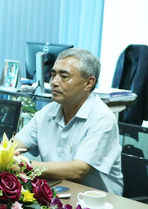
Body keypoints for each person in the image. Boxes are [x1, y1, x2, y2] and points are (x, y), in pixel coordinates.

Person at [13, 48, 124, 195]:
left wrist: (24, 165)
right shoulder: (48, 112)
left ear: (88, 83)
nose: (54, 82)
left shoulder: (102, 118)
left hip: (98, 204)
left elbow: (78, 171)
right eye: (52, 75)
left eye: (64, 76)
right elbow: (11, 147)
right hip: (57, 193)